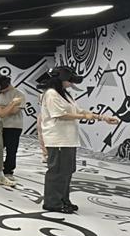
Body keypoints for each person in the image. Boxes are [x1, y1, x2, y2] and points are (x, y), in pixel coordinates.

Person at [38, 66, 119, 214]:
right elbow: (59, 114)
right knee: (57, 171)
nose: (71, 83)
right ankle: (52, 202)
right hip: (58, 139)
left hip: (68, 139)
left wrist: (102, 117)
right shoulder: (51, 94)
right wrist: (84, 117)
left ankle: (63, 199)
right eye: (69, 79)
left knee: (67, 171)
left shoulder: (64, 94)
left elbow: (78, 110)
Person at [0, 75, 25, 181]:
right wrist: (9, 106)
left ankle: (8, 170)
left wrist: (2, 108)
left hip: (14, 126)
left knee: (11, 150)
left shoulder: (19, 94)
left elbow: (15, 111)